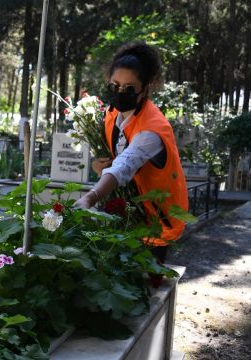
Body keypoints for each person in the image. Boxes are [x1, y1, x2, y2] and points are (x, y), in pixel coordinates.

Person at [74, 41, 189, 263]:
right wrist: (98, 166)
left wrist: (91, 197)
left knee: (146, 289)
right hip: (126, 217)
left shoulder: (153, 129)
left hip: (156, 223)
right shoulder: (112, 114)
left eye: (129, 88)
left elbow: (124, 165)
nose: (120, 92)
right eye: (114, 85)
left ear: (144, 90)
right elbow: (114, 160)